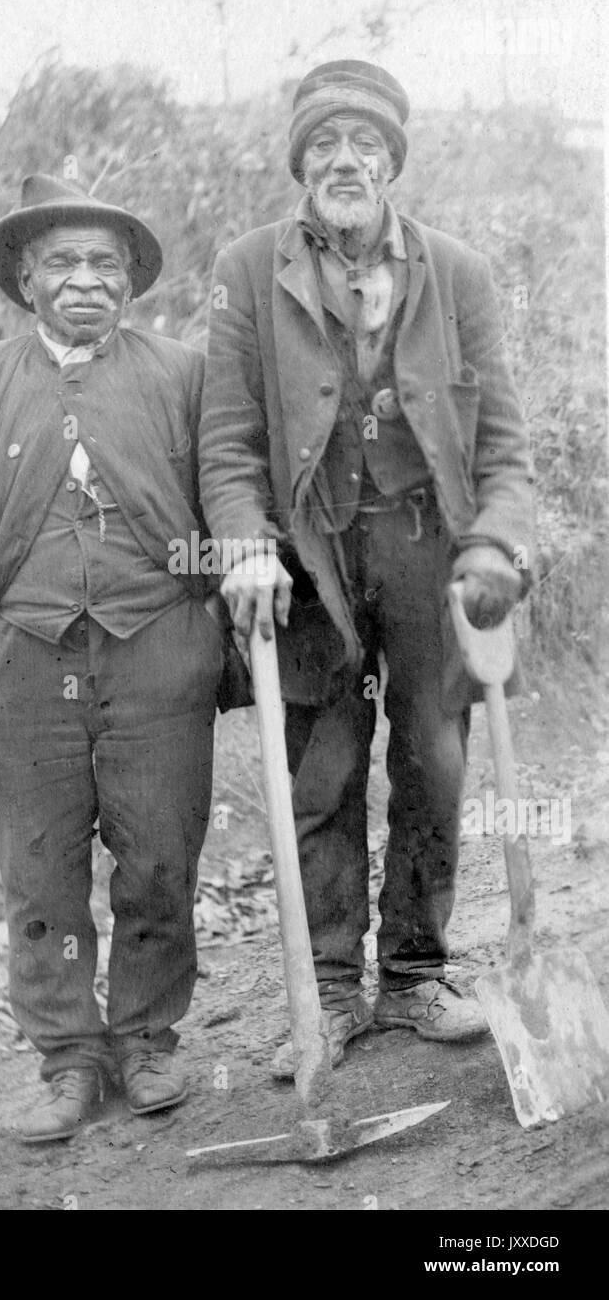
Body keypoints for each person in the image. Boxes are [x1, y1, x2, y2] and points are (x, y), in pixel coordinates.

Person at [199, 60, 535, 1079]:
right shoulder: (247, 267)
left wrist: (493, 543)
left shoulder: (458, 273)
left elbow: (504, 451)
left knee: (433, 765)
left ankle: (415, 974)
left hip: (430, 555)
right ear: (300, 163)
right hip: (309, 563)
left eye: (366, 146)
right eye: (325, 147)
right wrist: (241, 539)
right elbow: (225, 438)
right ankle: (332, 990)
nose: (346, 162)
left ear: (391, 161)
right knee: (323, 769)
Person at [0, 173, 229, 1140]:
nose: (85, 280)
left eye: (105, 263)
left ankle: (145, 1042)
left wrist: (218, 601)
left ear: (132, 279)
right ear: (24, 277)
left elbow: (226, 495)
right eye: (62, 262)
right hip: (18, 665)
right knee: (41, 871)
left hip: (158, 654)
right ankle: (67, 1057)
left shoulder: (185, 372)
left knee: (158, 855)